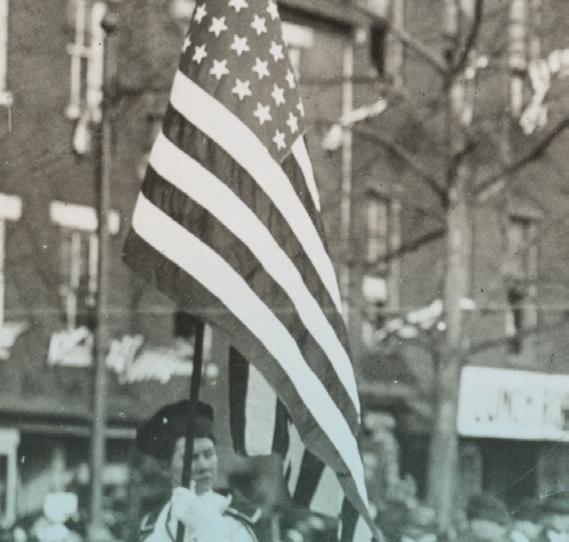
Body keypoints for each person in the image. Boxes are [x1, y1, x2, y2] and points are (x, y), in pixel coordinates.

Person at [136, 400, 261, 542]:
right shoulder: (153, 526)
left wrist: (206, 525)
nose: (204, 466)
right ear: (165, 467)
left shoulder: (240, 520)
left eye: (209, 454)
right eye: (191, 458)